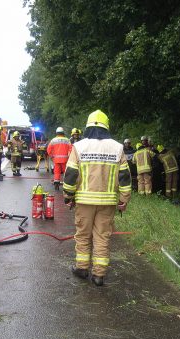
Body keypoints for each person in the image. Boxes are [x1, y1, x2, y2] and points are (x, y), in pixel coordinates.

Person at [63, 109, 132, 286]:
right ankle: (99, 275)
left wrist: (68, 195)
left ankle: (82, 268)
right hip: (108, 202)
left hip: (84, 201)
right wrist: (124, 199)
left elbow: (71, 174)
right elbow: (124, 177)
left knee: (83, 235)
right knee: (102, 236)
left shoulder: (79, 147)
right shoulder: (117, 148)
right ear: (106, 126)